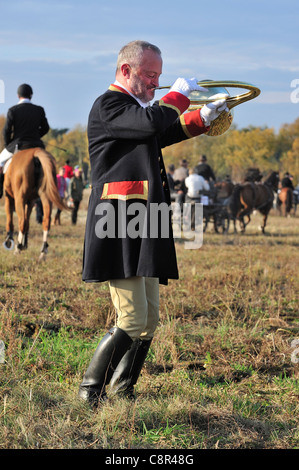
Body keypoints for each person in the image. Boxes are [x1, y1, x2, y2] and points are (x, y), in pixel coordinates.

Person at [79, 39, 229, 407]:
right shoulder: (109, 105)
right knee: (131, 318)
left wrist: (202, 118)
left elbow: (160, 132)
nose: (155, 83)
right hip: (117, 223)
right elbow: (152, 122)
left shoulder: (137, 112)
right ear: (125, 70)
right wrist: (177, 96)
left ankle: (121, 390)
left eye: (160, 77)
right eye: (149, 75)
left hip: (143, 221)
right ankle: (89, 394)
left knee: (149, 321)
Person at [0, 83, 49, 198]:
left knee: (0, 161)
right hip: (37, 145)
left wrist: (9, 144)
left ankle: (0, 191)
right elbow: (45, 128)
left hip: (18, 145)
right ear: (31, 95)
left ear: (18, 95)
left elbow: (6, 131)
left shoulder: (13, 110)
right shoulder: (39, 110)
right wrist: (37, 136)